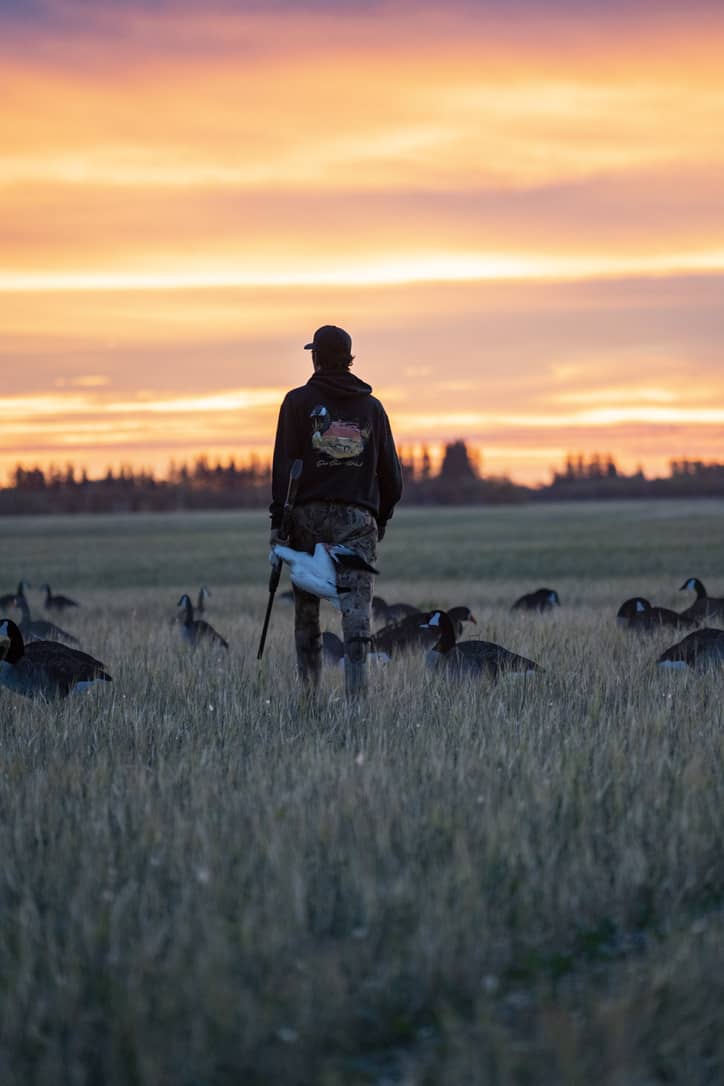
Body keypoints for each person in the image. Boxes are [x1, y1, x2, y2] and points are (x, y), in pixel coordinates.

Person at [270, 325, 402, 701]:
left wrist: (278, 524)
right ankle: (356, 701)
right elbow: (392, 475)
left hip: (306, 520)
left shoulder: (295, 403)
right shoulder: (372, 409)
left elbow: (282, 471)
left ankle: (309, 699)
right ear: (349, 358)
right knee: (357, 613)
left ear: (316, 357)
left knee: (307, 614)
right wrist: (381, 518)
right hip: (357, 522)